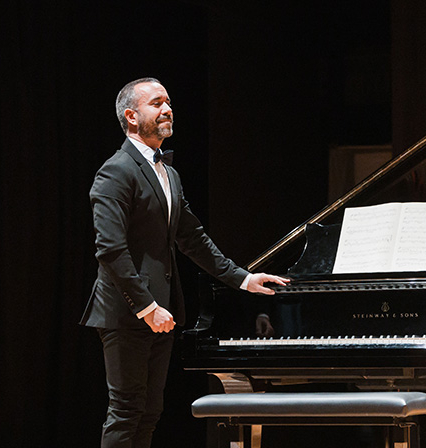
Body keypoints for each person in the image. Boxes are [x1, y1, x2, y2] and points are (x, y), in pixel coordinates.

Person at [79, 77, 289, 448]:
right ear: (131, 116)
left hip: (162, 311)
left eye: (169, 102)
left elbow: (192, 238)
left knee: (150, 412)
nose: (167, 109)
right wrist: (146, 306)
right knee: (126, 410)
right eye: (156, 103)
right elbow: (110, 249)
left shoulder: (168, 173)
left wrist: (242, 278)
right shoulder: (116, 171)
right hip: (128, 312)